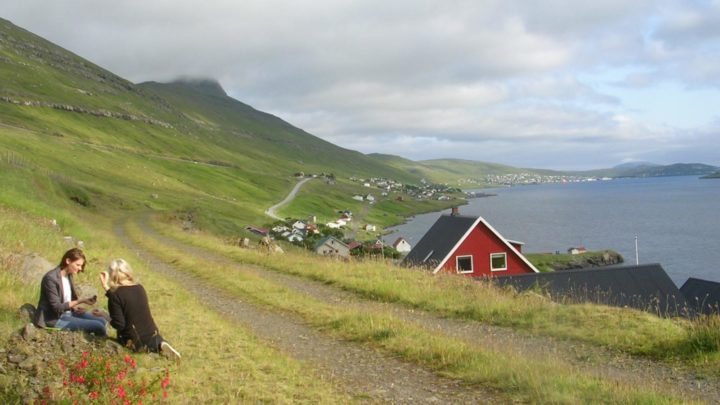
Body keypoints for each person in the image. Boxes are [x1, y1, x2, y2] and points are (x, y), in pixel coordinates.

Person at [100, 258, 180, 361]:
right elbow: (125, 298)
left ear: (112, 275)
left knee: (136, 346)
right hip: (152, 332)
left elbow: (119, 324)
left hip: (132, 339)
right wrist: (106, 288)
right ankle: (160, 344)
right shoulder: (139, 288)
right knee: (153, 342)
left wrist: (104, 315)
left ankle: (153, 348)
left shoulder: (115, 295)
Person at [34, 248, 107, 336]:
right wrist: (81, 301)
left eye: (81, 265)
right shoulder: (50, 278)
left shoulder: (68, 275)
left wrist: (74, 307)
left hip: (68, 313)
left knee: (102, 320)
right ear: (68, 261)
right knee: (98, 326)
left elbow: (65, 300)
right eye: (78, 265)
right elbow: (57, 307)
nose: (80, 268)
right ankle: (101, 344)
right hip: (54, 319)